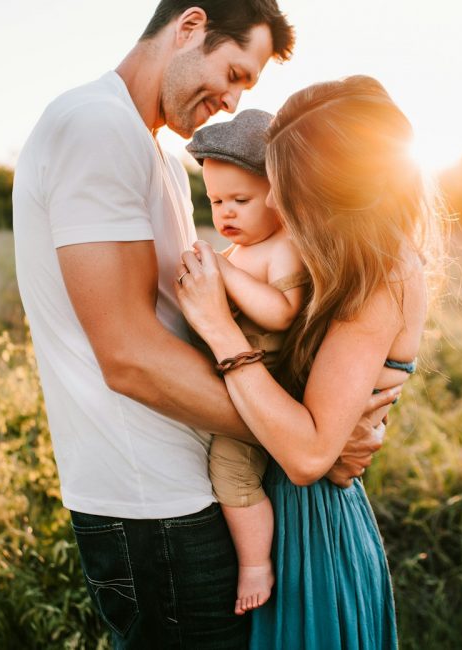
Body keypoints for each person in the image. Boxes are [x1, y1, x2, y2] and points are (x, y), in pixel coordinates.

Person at [13, 2, 402, 646]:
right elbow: (129, 356)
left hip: (192, 487)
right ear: (190, 26)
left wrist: (315, 428)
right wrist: (307, 439)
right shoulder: (94, 127)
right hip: (153, 502)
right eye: (234, 72)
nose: (232, 100)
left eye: (246, 86)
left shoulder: (159, 156)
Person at [175, 75, 443, 649]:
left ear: (337, 189)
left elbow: (308, 455)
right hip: (287, 512)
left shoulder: (379, 275)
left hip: (312, 528)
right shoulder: (340, 262)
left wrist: (221, 331)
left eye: (288, 185)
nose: (276, 201)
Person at [186, 108, 308, 615]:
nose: (226, 214)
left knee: (230, 472)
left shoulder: (284, 247)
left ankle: (256, 563)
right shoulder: (241, 251)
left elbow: (281, 313)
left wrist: (223, 273)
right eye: (216, 201)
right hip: (233, 382)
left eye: (240, 200)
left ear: (279, 197)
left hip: (265, 393)